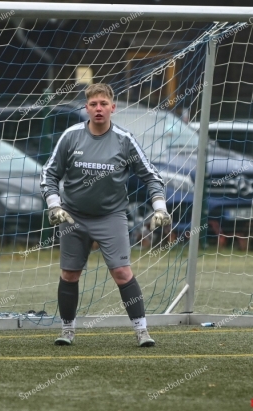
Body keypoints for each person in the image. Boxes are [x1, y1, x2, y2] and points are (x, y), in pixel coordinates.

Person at [40, 82, 171, 347]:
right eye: (93, 104)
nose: (98, 109)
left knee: (122, 272)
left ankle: (142, 331)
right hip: (72, 217)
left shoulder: (124, 140)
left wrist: (160, 207)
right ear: (86, 108)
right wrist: (54, 204)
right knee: (69, 274)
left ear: (113, 107)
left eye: (103, 104)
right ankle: (67, 330)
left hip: (111, 216)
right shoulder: (71, 137)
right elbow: (49, 174)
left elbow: (151, 176)